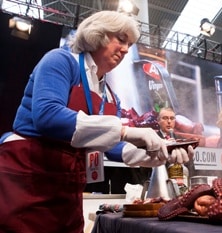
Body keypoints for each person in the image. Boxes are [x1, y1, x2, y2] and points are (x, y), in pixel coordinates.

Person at [0, 11, 194, 233]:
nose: (125, 49)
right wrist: (126, 131)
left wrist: (157, 155)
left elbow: (110, 146)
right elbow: (47, 115)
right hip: (29, 176)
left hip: (68, 187)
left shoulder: (111, 95)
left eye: (129, 44)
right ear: (97, 34)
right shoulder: (60, 60)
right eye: (120, 39)